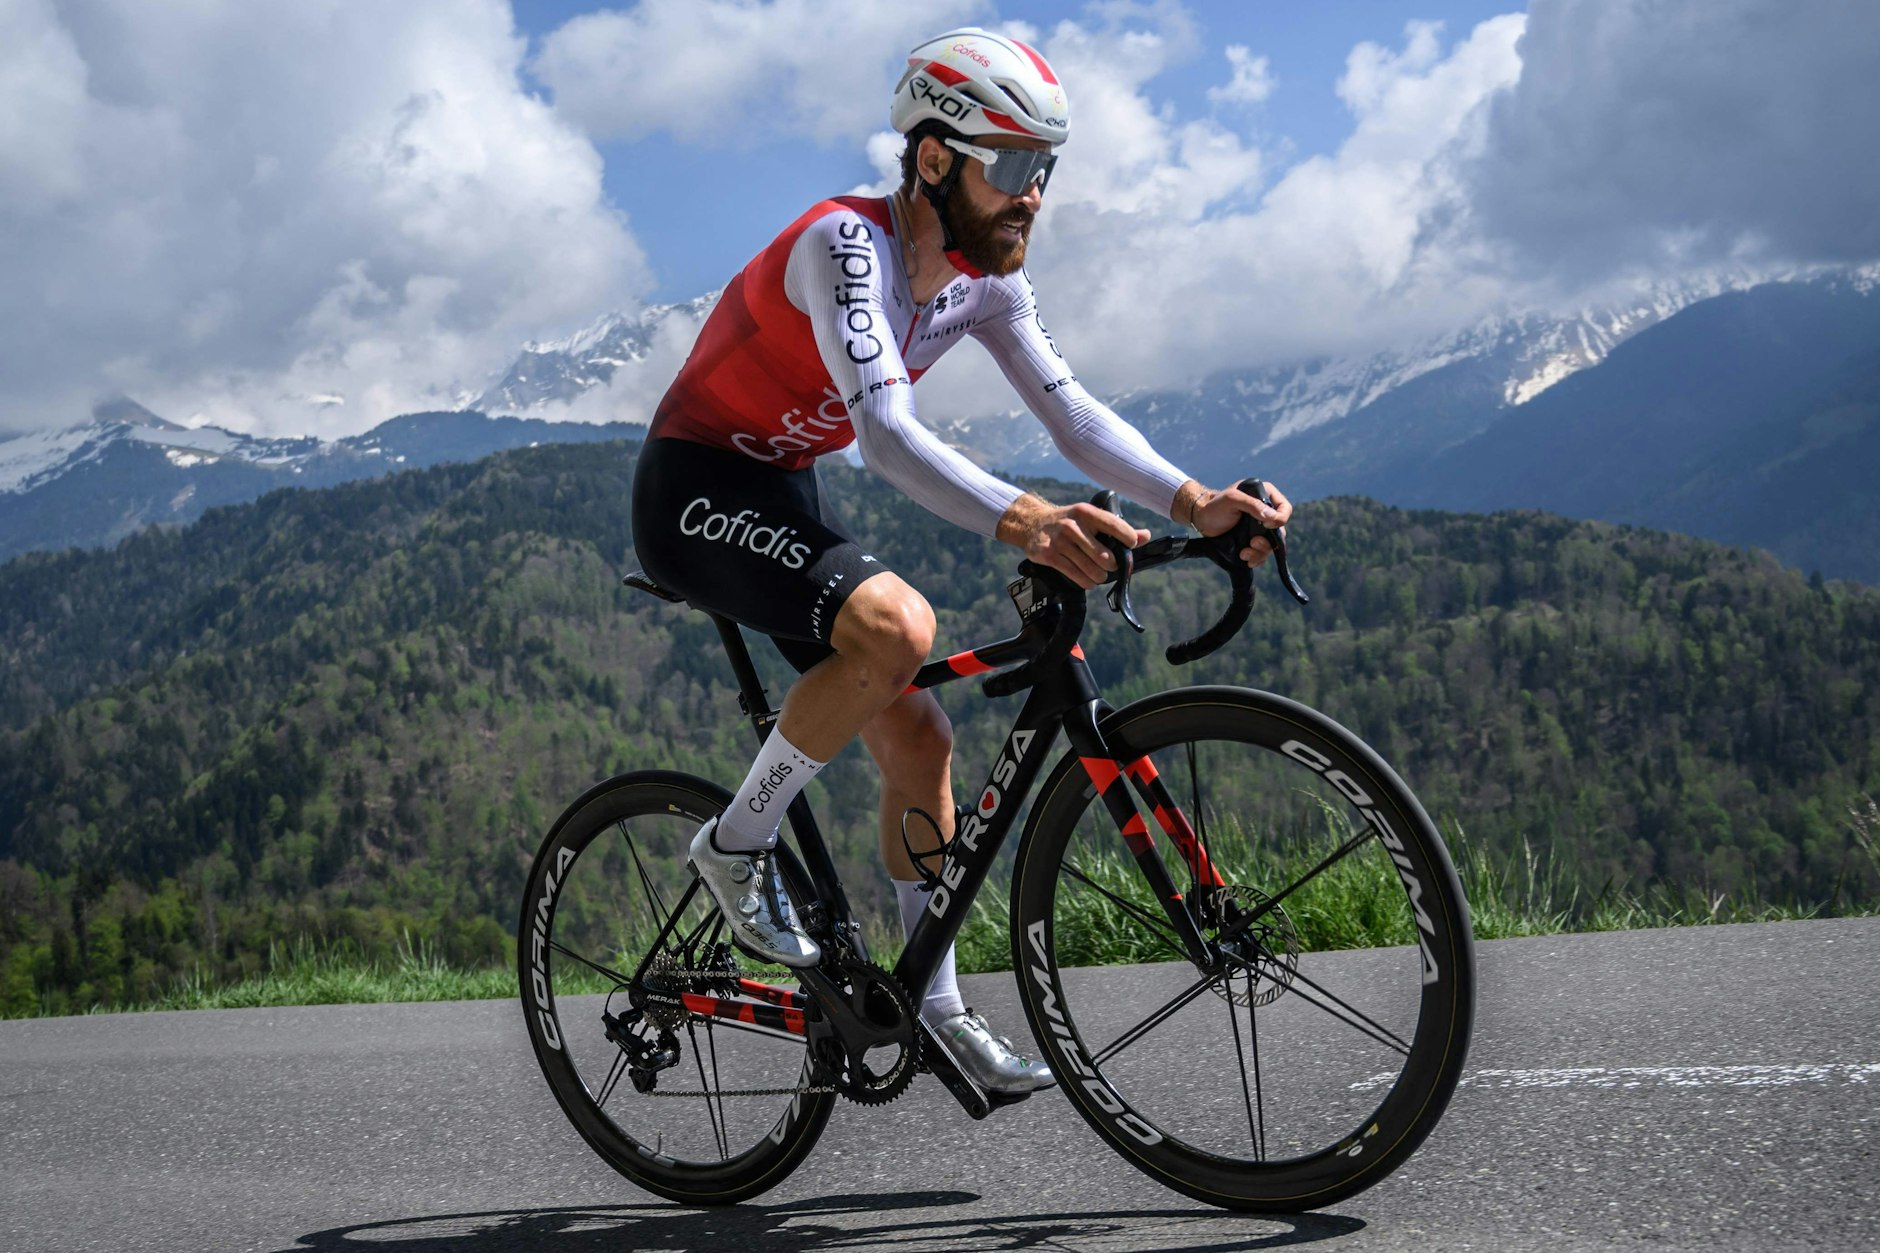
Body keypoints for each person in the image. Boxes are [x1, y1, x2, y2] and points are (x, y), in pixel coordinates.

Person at [630, 26, 1292, 1097]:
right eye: (1014, 165)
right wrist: (1029, 521)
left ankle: (930, 1010)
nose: (1034, 194)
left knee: (922, 734)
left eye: (1046, 169)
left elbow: (1068, 410)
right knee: (900, 628)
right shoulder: (845, 244)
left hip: (781, 488)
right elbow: (885, 435)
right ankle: (734, 843)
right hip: (694, 488)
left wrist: (1193, 501)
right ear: (933, 159)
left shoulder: (982, 279)